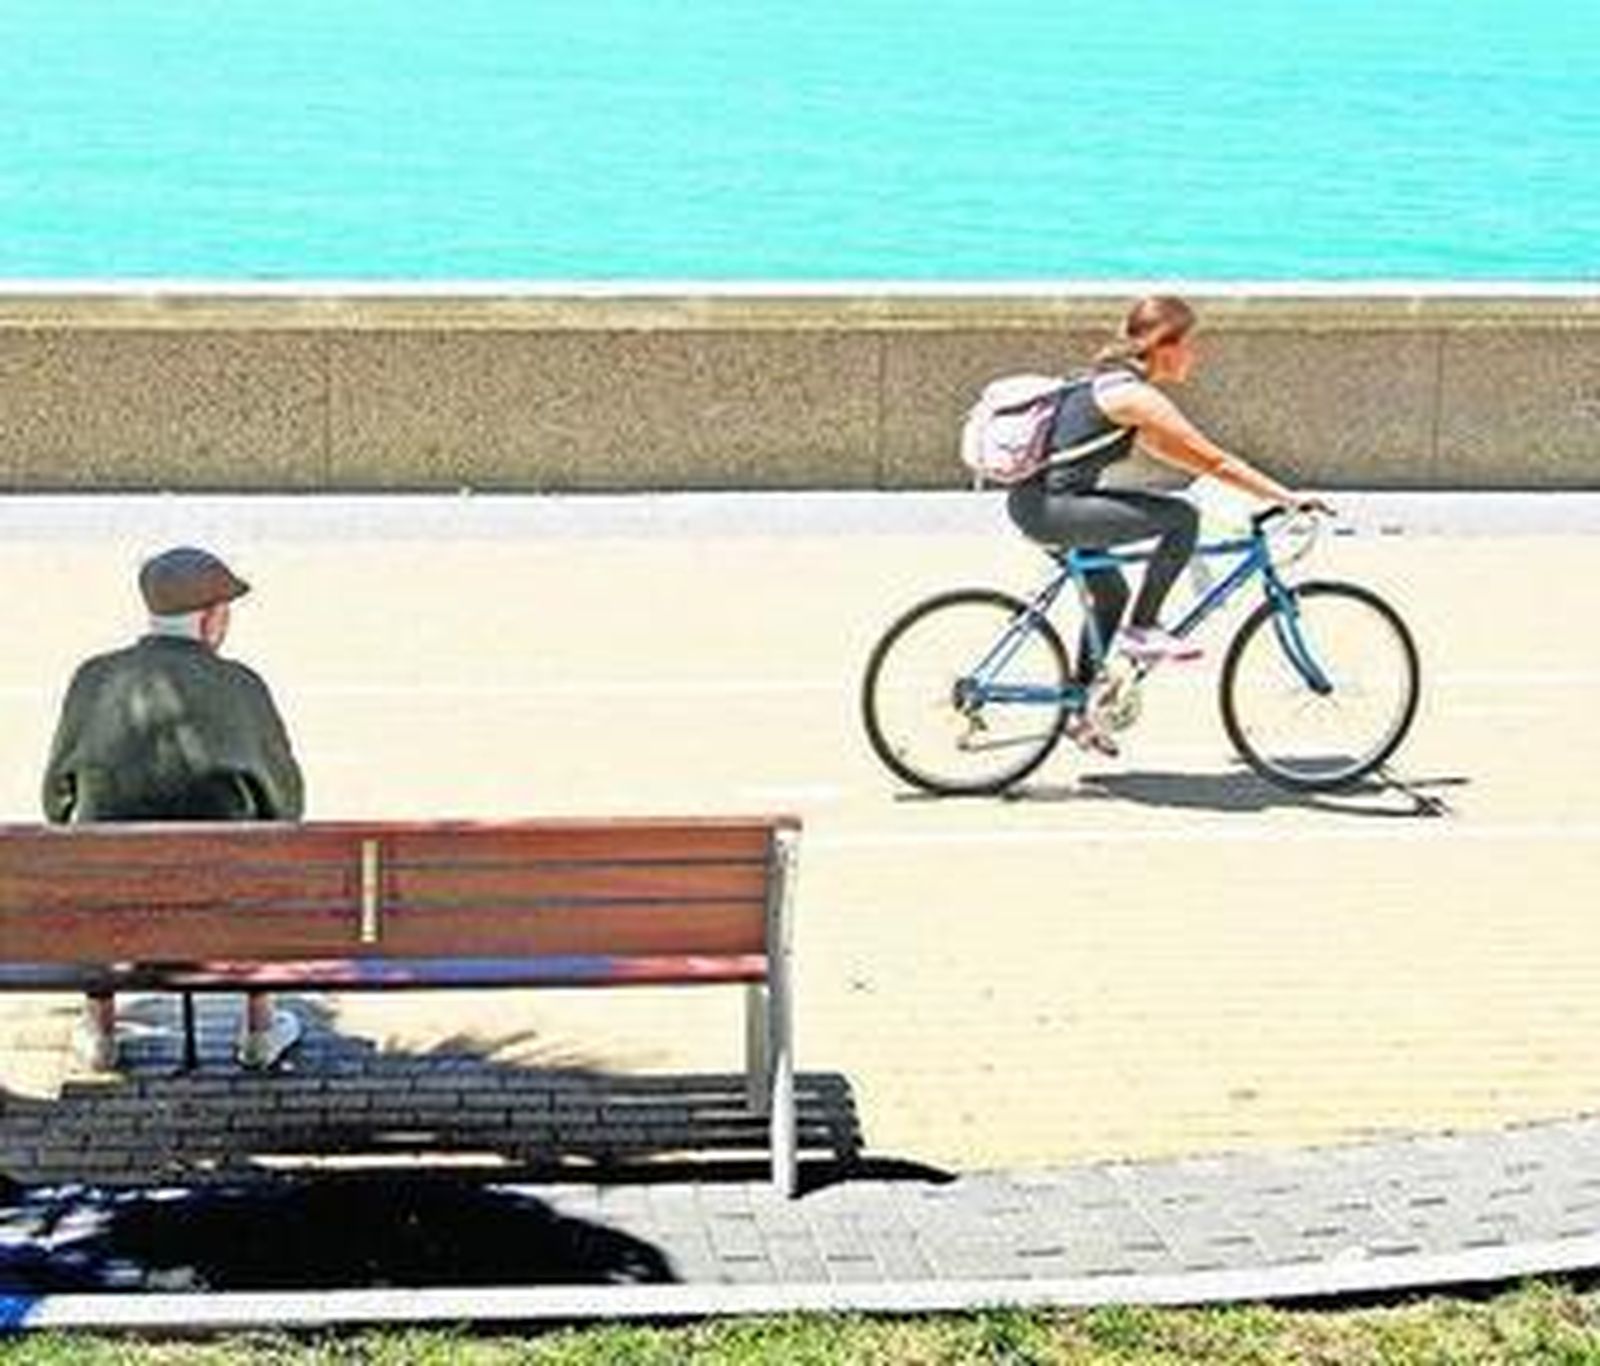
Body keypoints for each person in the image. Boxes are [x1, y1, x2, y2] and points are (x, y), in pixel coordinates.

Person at [1005, 294, 1329, 754]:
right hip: (1056, 510)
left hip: (1037, 504)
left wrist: (1239, 482)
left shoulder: (1109, 385)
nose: (1195, 355)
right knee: (1180, 518)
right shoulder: (1135, 396)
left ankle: (1079, 709)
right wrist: (1286, 497)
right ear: (1164, 345)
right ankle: (1145, 629)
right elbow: (1216, 460)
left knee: (1109, 591)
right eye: (1189, 343)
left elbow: (1179, 453)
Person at [42, 546, 306, 1071]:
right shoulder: (242, 686)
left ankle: (100, 1031)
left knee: (87, 856)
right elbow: (286, 808)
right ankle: (258, 1028)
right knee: (268, 860)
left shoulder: (93, 679)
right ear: (210, 619)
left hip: (115, 913)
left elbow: (56, 799)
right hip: (224, 912)